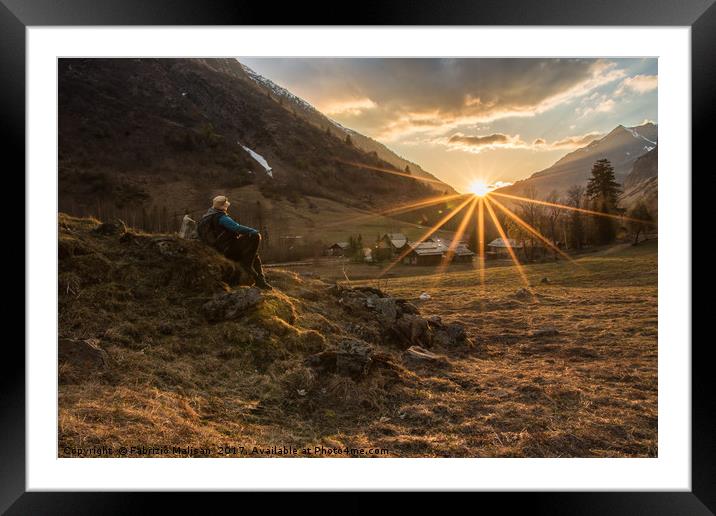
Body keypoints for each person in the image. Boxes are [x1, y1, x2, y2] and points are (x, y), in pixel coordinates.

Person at [199, 195, 272, 290]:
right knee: (254, 236)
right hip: (227, 249)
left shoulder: (207, 216)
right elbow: (236, 227)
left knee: (255, 256)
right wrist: (254, 231)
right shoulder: (221, 217)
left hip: (219, 249)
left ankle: (260, 281)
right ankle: (248, 265)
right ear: (224, 206)